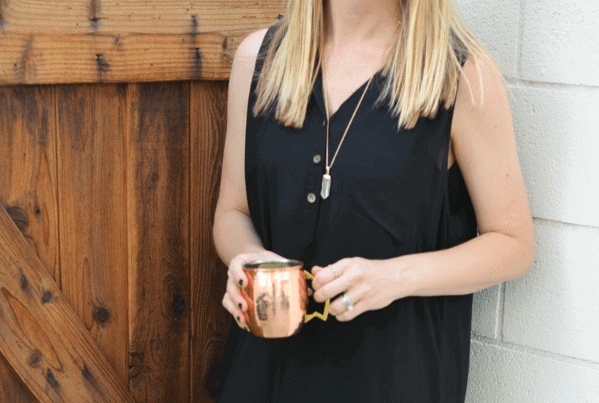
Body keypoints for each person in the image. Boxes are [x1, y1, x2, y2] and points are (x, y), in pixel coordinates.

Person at [213, 0, 535, 401]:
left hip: (392, 380)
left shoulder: (459, 75)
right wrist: (247, 261)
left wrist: (393, 278)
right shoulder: (258, 61)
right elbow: (232, 212)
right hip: (261, 378)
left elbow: (513, 243)